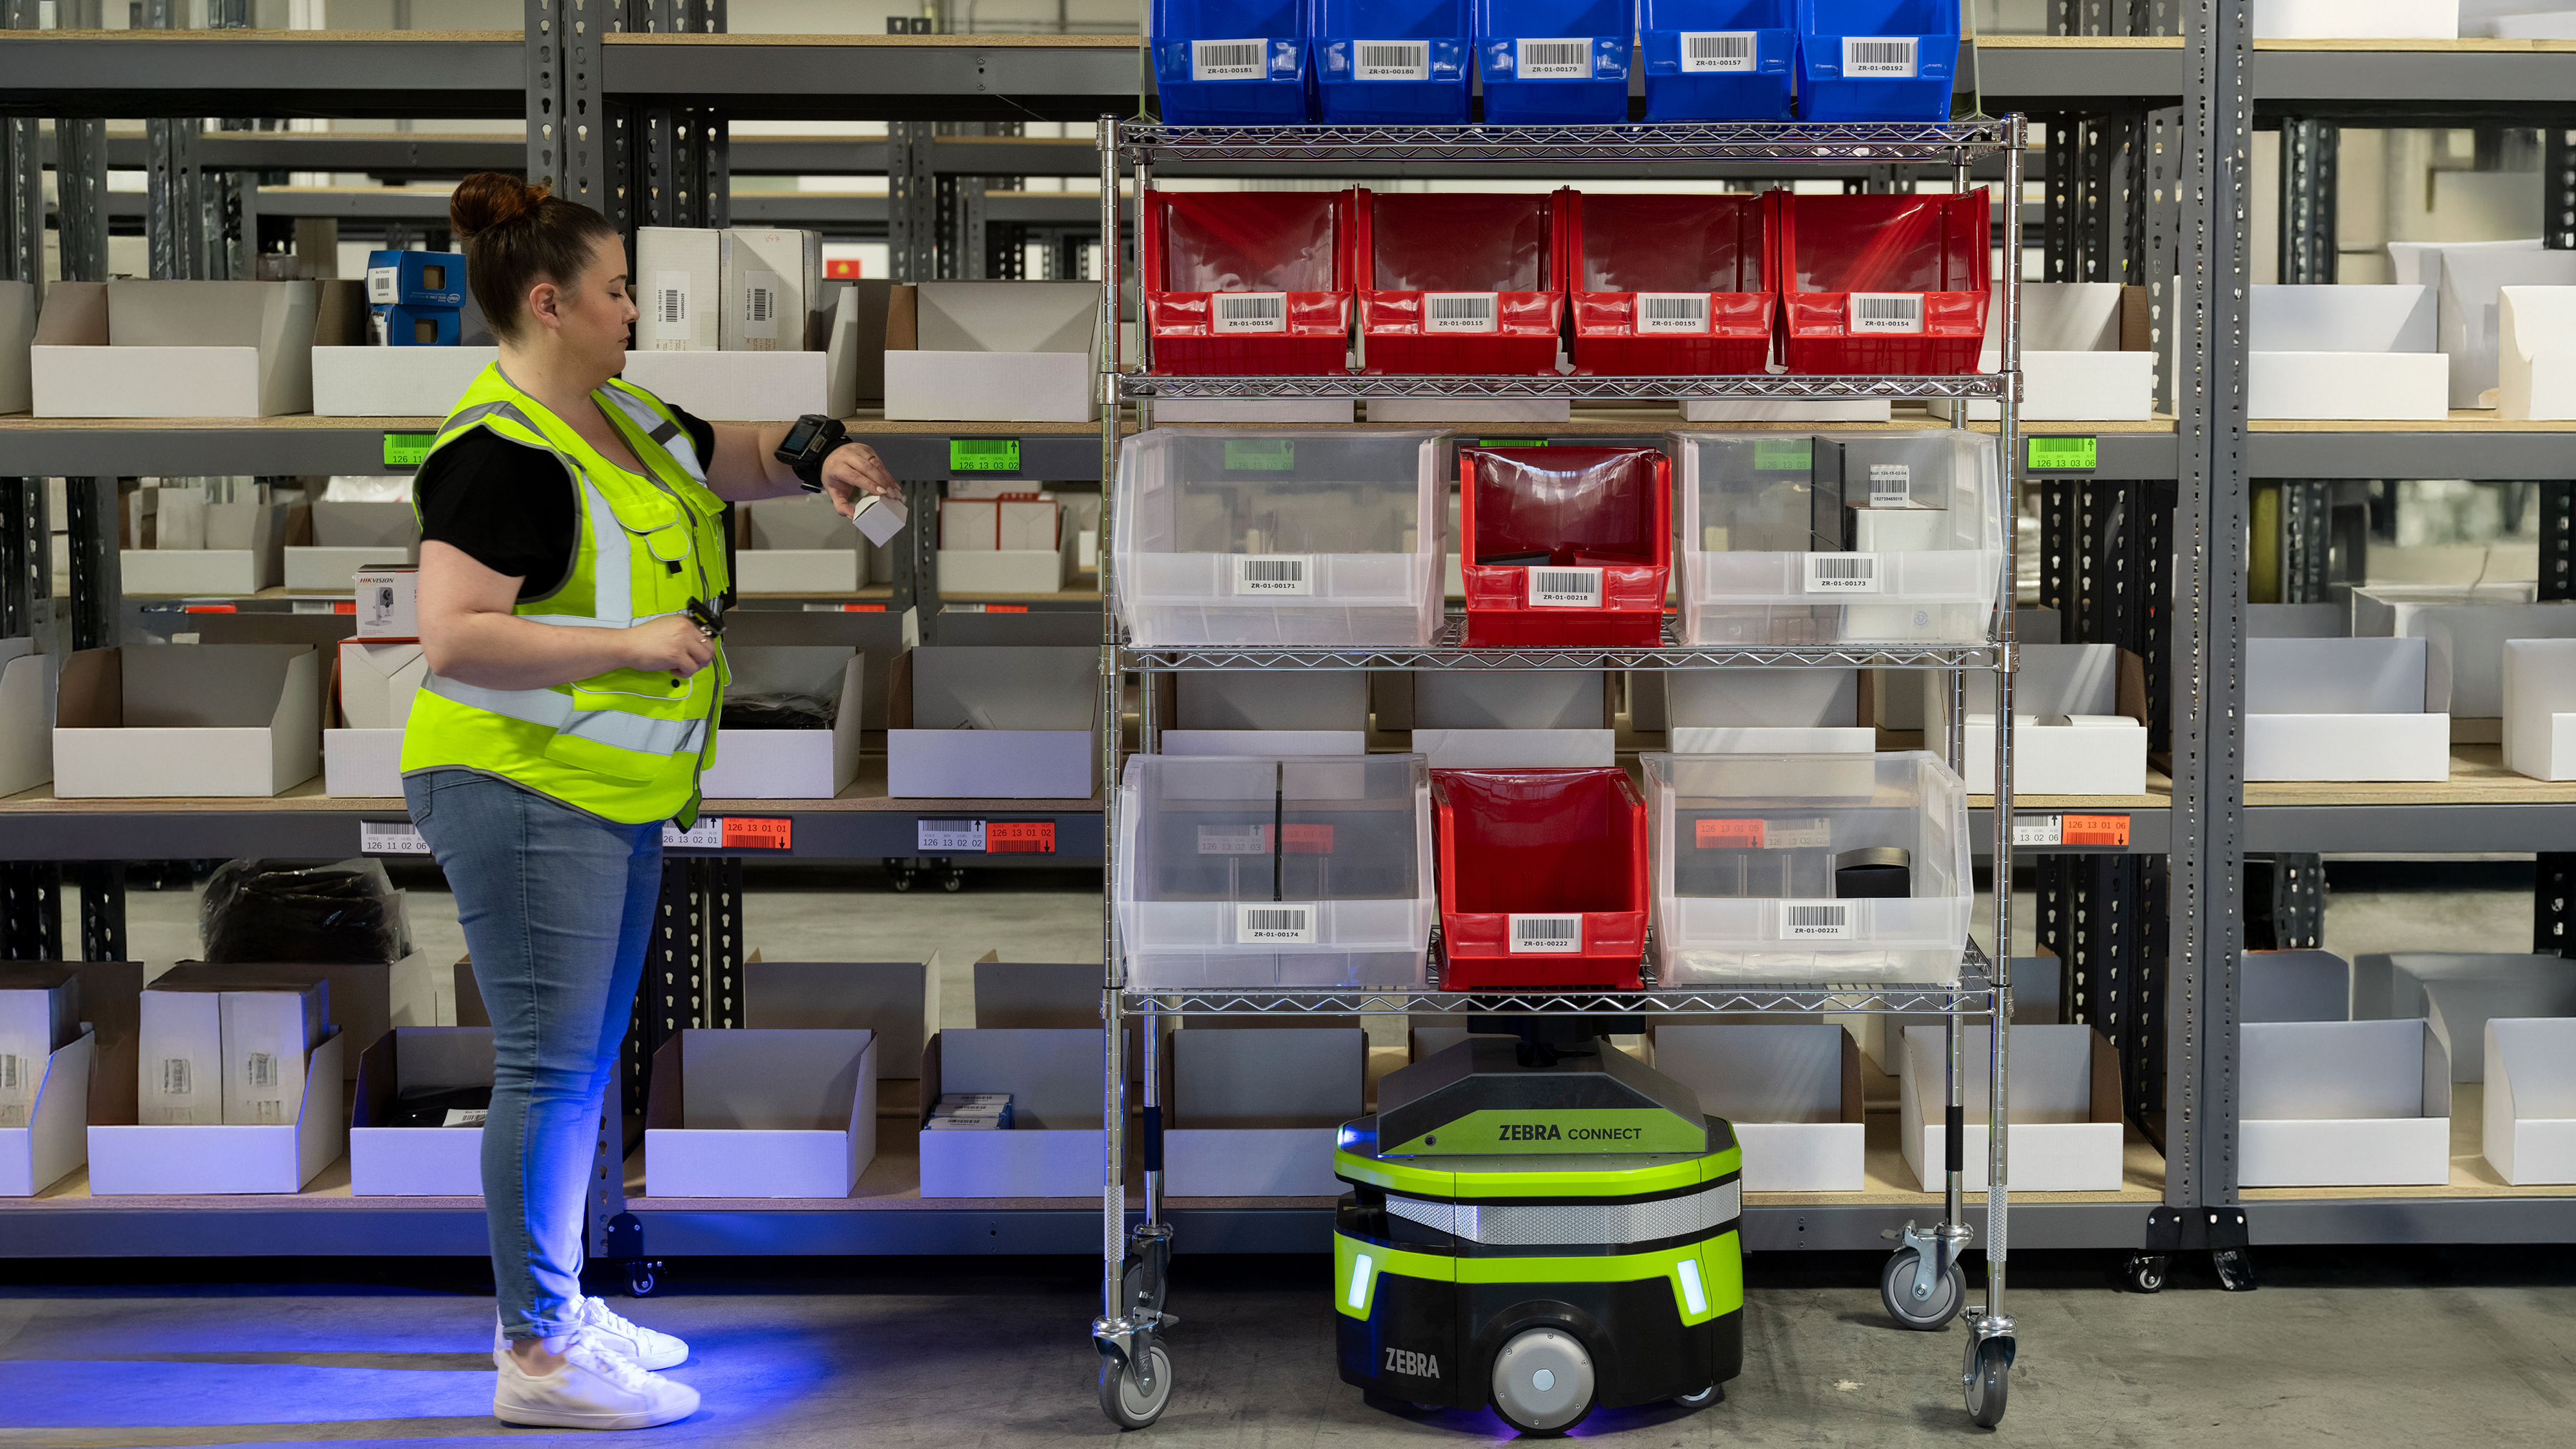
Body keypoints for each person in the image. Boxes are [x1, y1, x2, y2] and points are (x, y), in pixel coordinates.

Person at [404, 172, 899, 1431]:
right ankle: (538, 1350)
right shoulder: (500, 450)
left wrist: (816, 453)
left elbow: (725, 456)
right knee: (549, 1065)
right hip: (520, 785)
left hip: (611, 790)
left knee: (579, 1065)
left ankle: (561, 1303)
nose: (635, 310)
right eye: (618, 290)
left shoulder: (615, 411)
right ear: (547, 300)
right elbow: (453, 637)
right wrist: (627, 644)